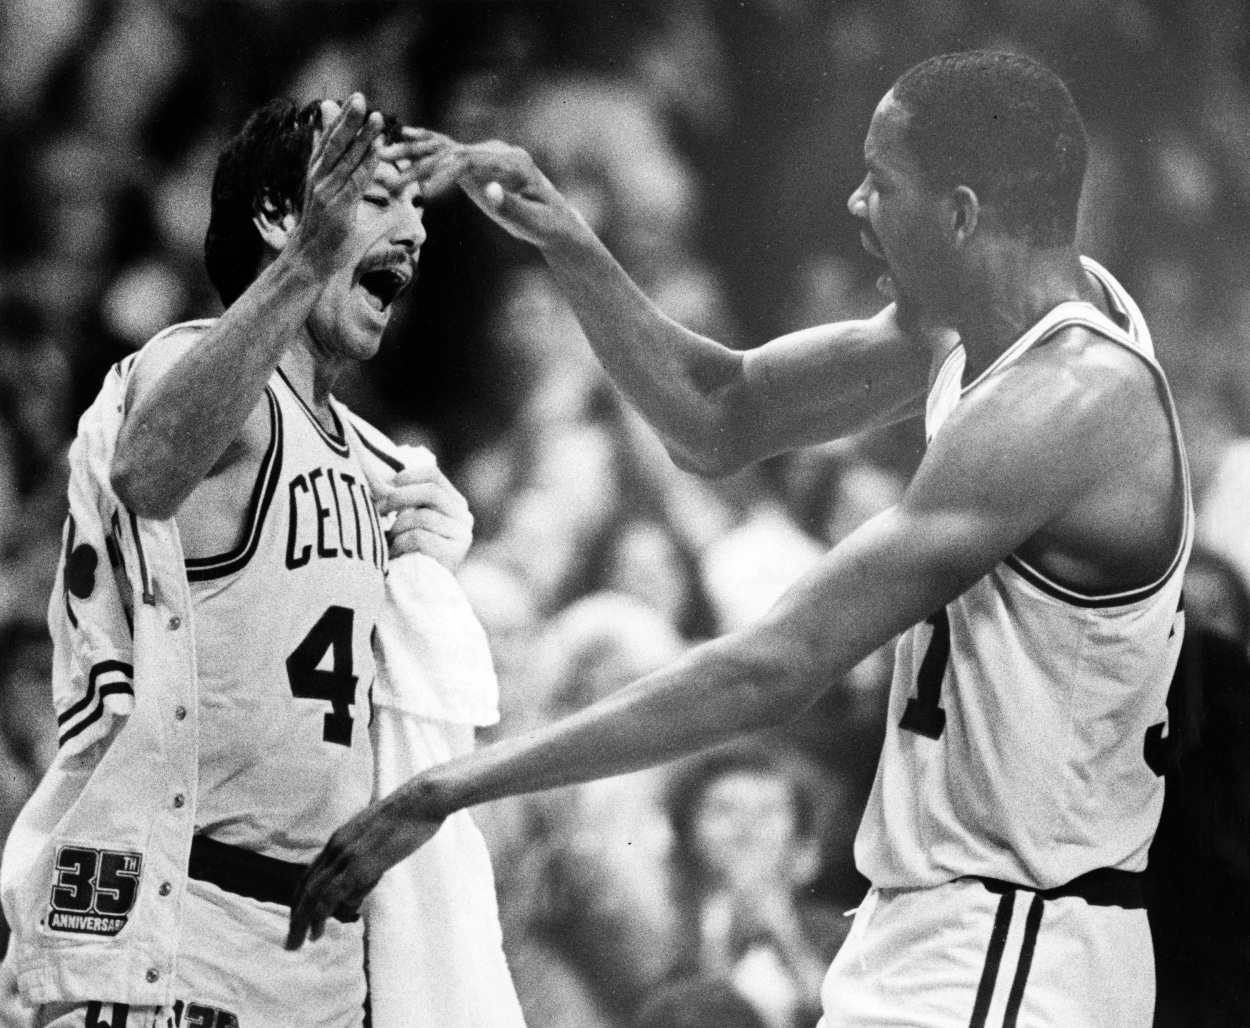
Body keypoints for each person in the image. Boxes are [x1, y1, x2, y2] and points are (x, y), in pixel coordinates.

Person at [289, 51, 1193, 1027]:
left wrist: (453, 782)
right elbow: (718, 413)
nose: (853, 203)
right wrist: (564, 237)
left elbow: (774, 664)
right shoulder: (979, 323)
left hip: (1016, 944)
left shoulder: (1060, 406)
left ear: (963, 214)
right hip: (942, 930)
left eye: (881, 181)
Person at [0, 94, 495, 1028]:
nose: (418, 229)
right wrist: (310, 261)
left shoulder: (375, 460)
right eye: (382, 197)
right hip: (180, 939)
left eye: (419, 206)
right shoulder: (191, 371)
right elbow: (147, 471)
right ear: (279, 216)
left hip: (318, 963)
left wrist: (431, 568)